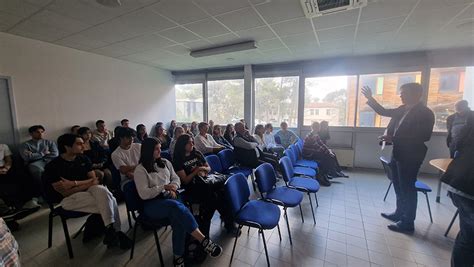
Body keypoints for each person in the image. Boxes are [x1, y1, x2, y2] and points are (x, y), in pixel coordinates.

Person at [134, 138, 222, 266]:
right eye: (156, 149)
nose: (160, 151)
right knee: (177, 208)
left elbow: (176, 179)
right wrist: (163, 187)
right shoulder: (140, 170)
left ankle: (178, 257)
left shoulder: (165, 162)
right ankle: (204, 241)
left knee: (178, 218)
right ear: (148, 151)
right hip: (152, 203)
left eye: (159, 147)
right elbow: (144, 194)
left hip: (171, 196)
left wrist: (173, 187)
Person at [361, 83, 434, 233]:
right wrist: (370, 98)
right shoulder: (402, 109)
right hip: (398, 152)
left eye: (404, 93)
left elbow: (422, 136)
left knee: (407, 187)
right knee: (397, 184)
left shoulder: (425, 113)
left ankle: (408, 222)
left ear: (416, 94)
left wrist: (394, 138)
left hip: (411, 155)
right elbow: (383, 111)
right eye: (401, 93)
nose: (400, 96)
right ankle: (399, 213)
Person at [43, 134, 131, 249]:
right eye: (79, 144)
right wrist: (87, 183)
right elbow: (65, 193)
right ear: (67, 147)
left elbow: (95, 181)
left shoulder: (83, 159)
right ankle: (115, 231)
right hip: (68, 200)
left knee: (101, 190)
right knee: (111, 199)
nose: (83, 146)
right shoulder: (53, 166)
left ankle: (111, 231)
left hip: (90, 191)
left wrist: (73, 183)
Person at [173, 134, 236, 236]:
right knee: (215, 199)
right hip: (192, 188)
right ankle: (216, 229)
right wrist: (197, 170)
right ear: (182, 145)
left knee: (222, 195)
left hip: (205, 183)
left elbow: (209, 168)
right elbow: (185, 180)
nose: (192, 143)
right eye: (189, 142)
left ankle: (226, 225)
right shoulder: (178, 160)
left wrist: (202, 171)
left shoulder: (197, 153)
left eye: (192, 141)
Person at [442, 113, 474, 267]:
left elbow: (454, 146)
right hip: (468, 186)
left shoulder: (467, 123)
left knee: (467, 239)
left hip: (461, 181)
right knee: (469, 240)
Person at [1, 143, 41, 230]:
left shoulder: (3, 146)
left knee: (23, 176)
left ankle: (30, 201)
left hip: (4, 168)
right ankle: (8, 213)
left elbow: (8, 160)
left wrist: (6, 168)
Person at [302, 122, 347, 186]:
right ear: (313, 128)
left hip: (313, 152)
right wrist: (328, 152)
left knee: (331, 153)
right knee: (327, 156)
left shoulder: (316, 134)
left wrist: (329, 150)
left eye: (318, 127)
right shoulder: (311, 136)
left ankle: (333, 172)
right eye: (316, 127)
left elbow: (321, 144)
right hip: (308, 154)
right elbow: (317, 147)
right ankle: (324, 175)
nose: (318, 128)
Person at [20, 125, 59, 193]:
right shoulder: (25, 145)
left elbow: (55, 154)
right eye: (37, 132)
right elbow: (26, 157)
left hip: (49, 161)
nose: (41, 134)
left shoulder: (49, 142)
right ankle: (42, 192)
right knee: (38, 170)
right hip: (34, 163)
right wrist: (43, 153)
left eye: (42, 132)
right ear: (31, 133)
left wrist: (34, 154)